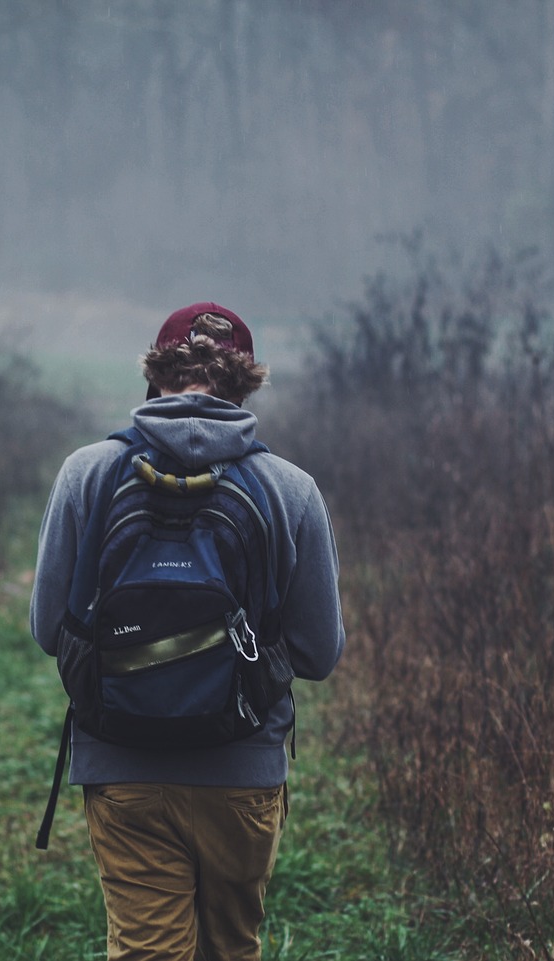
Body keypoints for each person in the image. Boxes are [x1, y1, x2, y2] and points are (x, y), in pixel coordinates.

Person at [30, 302, 345, 961]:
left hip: (122, 764)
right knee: (230, 948)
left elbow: (48, 630)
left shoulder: (88, 472)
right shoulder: (291, 489)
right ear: (245, 384)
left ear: (154, 374)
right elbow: (318, 653)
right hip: (242, 770)